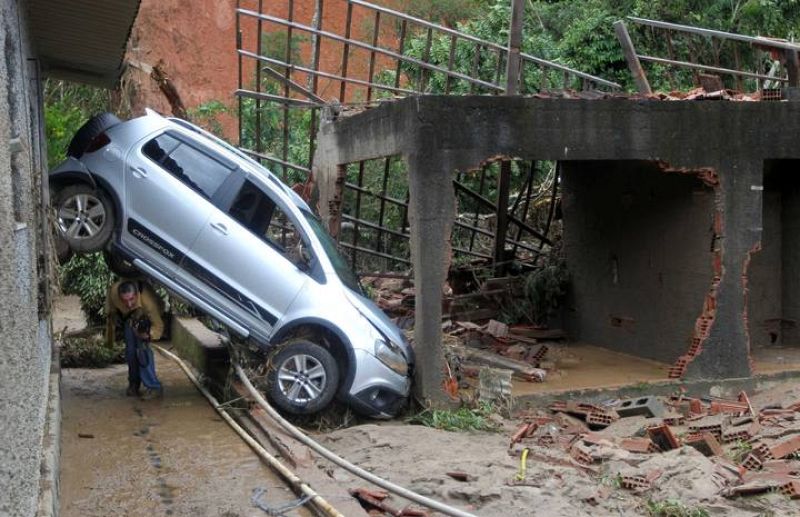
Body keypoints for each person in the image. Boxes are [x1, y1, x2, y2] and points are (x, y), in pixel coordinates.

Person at [106, 278, 165, 399]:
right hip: (130, 318)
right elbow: (111, 311)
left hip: (146, 318)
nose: (128, 304)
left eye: (131, 299)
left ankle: (154, 387)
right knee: (130, 352)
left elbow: (158, 325)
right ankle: (134, 384)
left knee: (143, 352)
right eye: (125, 300)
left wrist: (149, 335)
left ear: (136, 294)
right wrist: (113, 328)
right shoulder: (113, 293)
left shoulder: (148, 301)